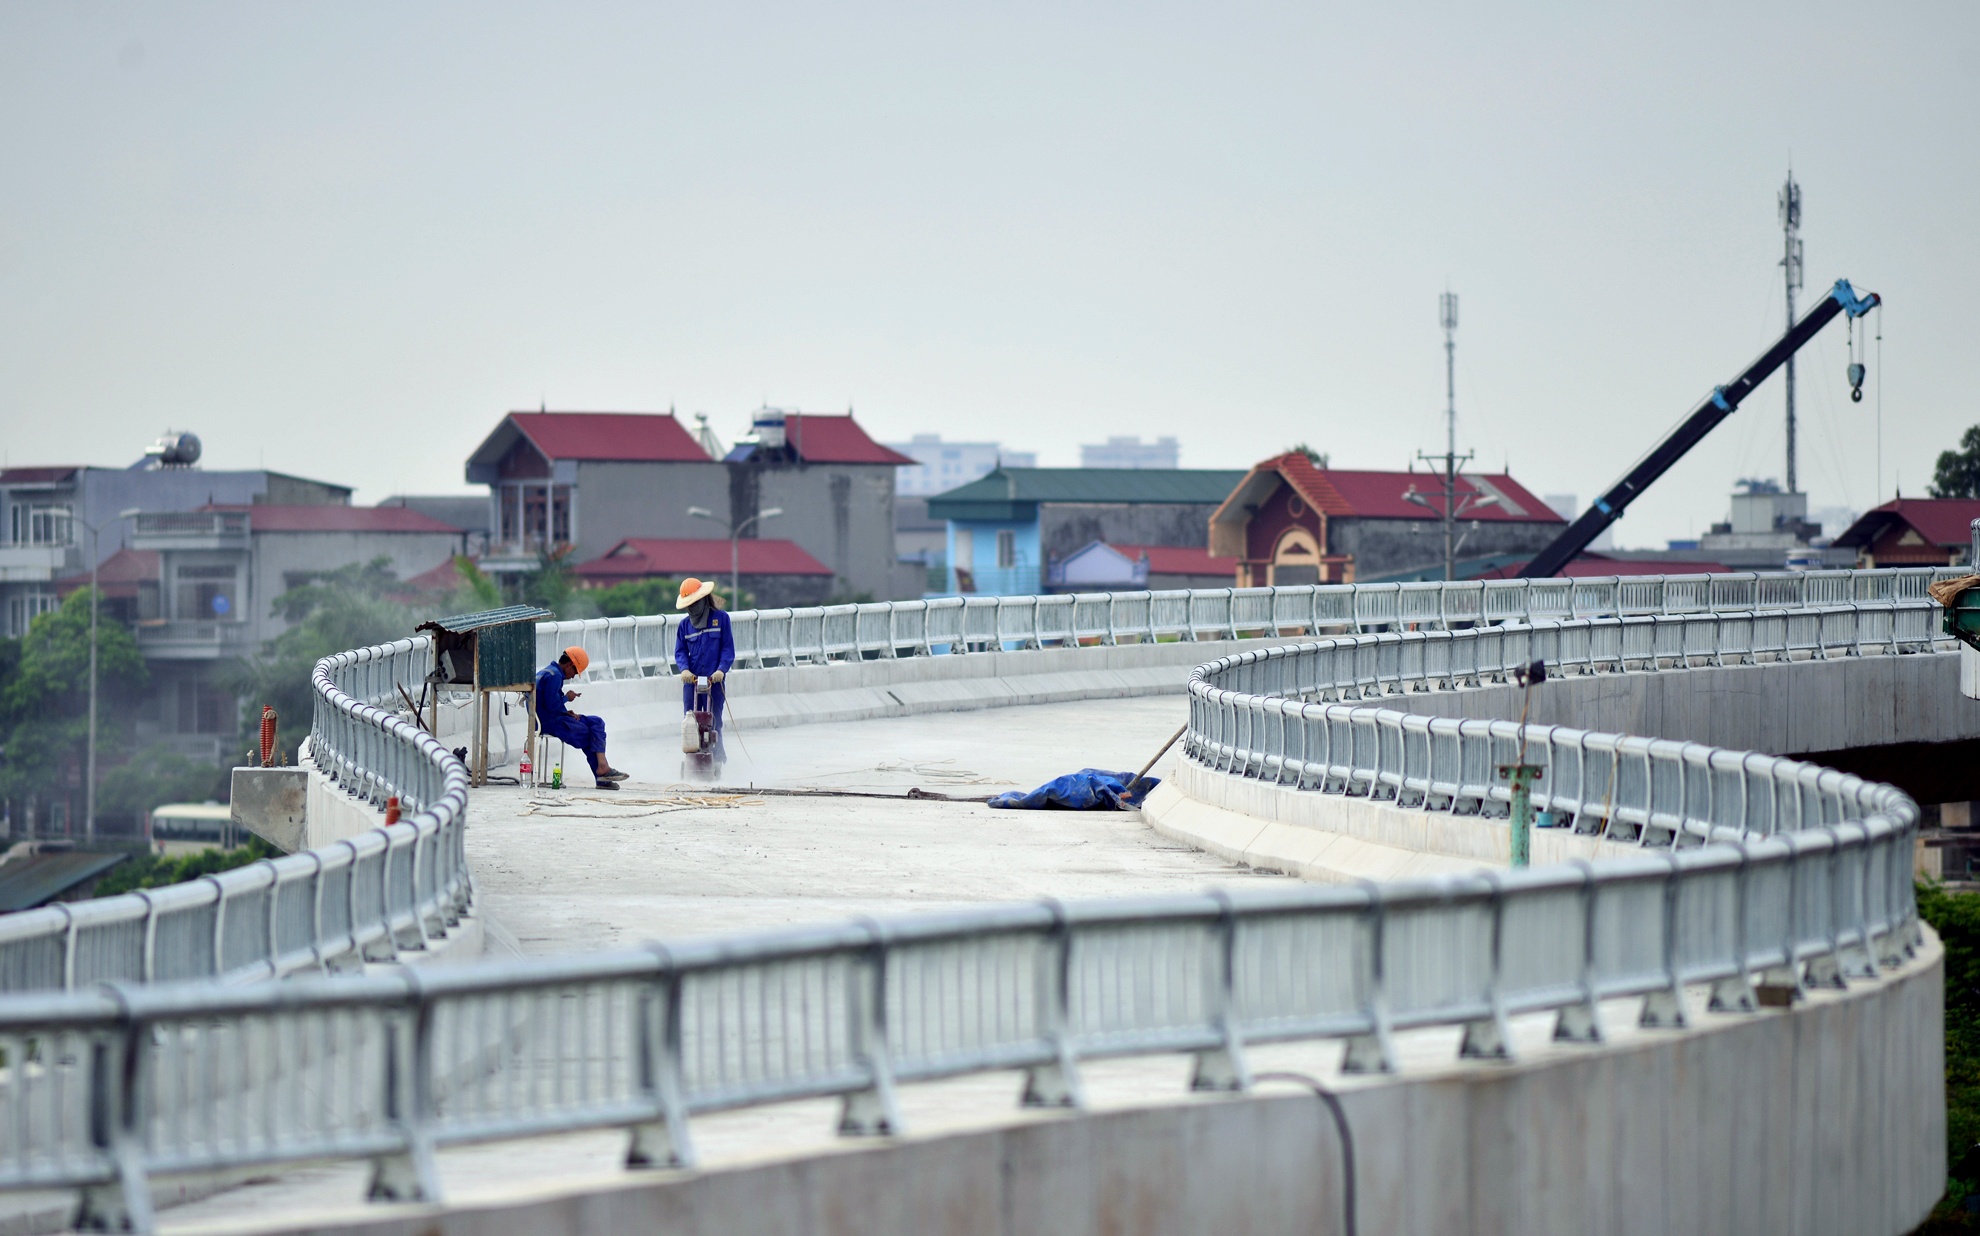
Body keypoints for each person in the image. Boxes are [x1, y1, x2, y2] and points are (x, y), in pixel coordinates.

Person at [534, 645, 628, 789]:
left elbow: (547, 703)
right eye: (574, 671)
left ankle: (602, 768)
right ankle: (602, 774)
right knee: (591, 734)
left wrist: (565, 711)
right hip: (551, 723)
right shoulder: (555, 676)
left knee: (596, 722)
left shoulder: (547, 672)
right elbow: (551, 705)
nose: (573, 676)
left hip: (553, 717)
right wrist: (567, 697)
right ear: (569, 664)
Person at [673, 577, 735, 758]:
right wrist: (684, 669)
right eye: (689, 605)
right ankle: (692, 756)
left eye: (694, 603)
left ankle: (717, 758)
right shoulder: (684, 626)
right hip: (691, 681)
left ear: (703, 599)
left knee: (714, 720)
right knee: (690, 719)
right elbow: (680, 651)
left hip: (714, 680)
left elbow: (727, 648)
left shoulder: (721, 619)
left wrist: (721, 670)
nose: (692, 607)